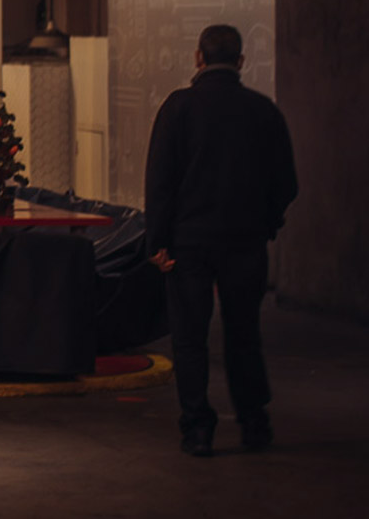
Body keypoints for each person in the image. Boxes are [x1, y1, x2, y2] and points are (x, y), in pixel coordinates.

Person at [144, 24, 298, 458]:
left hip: (188, 244)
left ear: (198, 58)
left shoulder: (179, 108)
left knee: (190, 338)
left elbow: (160, 182)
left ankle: (198, 429)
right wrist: (267, 223)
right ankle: (253, 423)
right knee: (244, 333)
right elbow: (286, 182)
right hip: (245, 243)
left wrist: (157, 241)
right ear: (241, 62)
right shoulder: (263, 112)